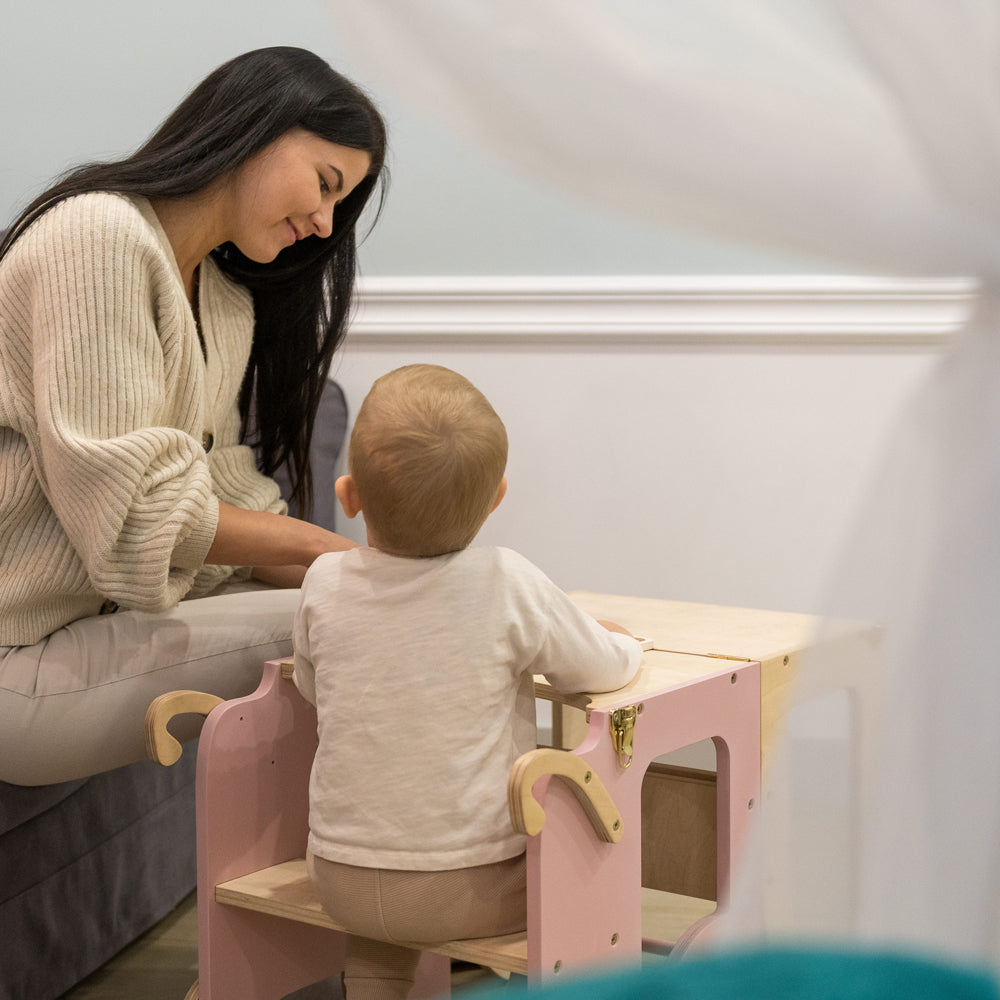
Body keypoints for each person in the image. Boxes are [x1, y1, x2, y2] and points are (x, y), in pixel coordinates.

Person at [0, 46, 388, 785]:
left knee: (384, 601)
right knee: (363, 618)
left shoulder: (225, 300)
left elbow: (225, 497)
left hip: (96, 631)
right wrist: (336, 558)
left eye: (340, 204)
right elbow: (137, 518)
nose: (324, 221)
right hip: (18, 655)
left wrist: (389, 572)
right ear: (256, 128)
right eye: (325, 183)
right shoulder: (97, 236)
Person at [292, 364, 642, 1000]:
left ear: (348, 496)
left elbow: (314, 688)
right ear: (497, 496)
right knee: (574, 857)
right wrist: (623, 642)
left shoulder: (323, 581)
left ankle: (373, 983)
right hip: (470, 887)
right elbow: (601, 668)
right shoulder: (506, 580)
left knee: (380, 935)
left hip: (340, 875)